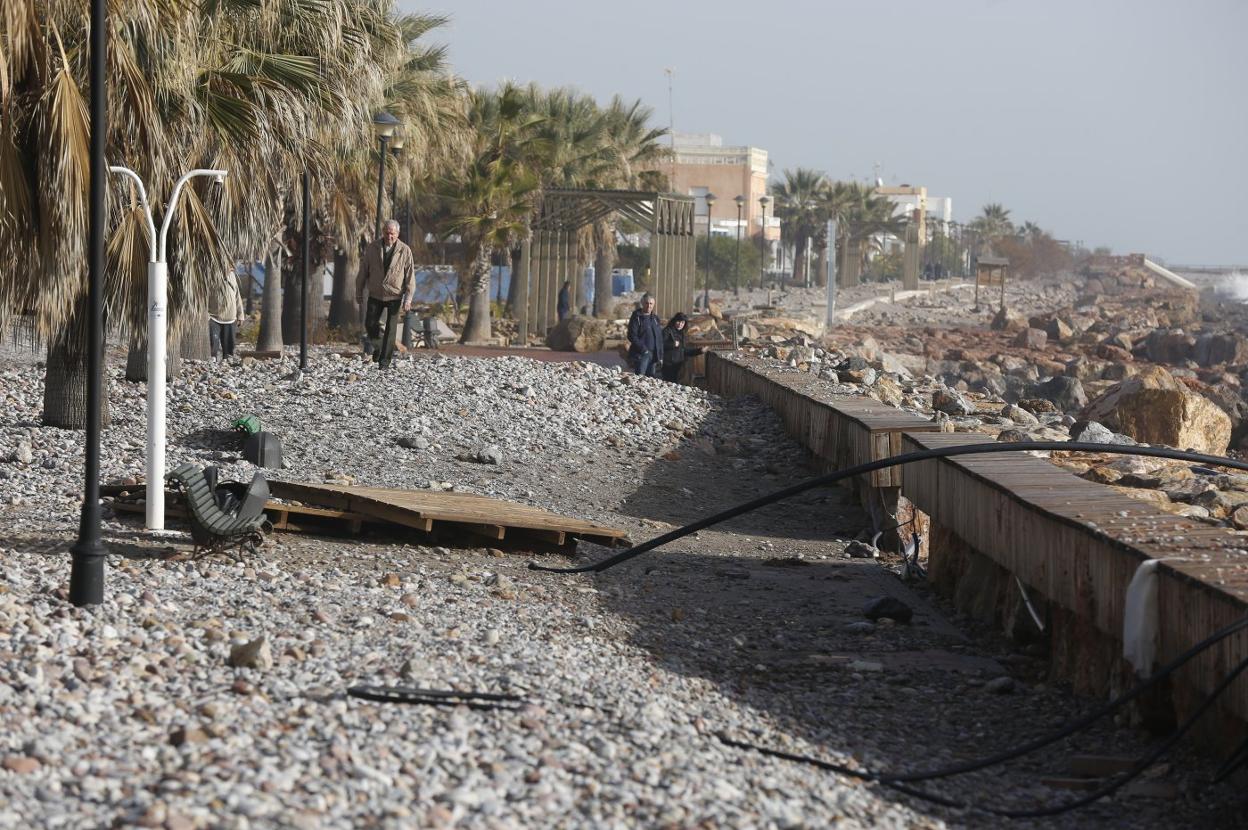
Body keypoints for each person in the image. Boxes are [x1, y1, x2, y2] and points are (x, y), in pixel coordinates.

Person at [355, 219, 416, 369]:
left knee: (391, 329)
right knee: (370, 324)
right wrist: (359, 292)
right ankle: (378, 347)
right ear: (383, 232)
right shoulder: (372, 248)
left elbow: (410, 276)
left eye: (392, 234)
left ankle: (384, 362)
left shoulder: (405, 250)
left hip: (395, 295)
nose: (389, 236)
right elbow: (363, 271)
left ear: (398, 234)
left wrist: (408, 298)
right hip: (375, 293)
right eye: (387, 233)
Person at [208, 267, 245, 360]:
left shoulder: (232, 276)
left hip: (230, 318)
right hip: (213, 317)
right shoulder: (210, 275)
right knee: (213, 343)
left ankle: (227, 364)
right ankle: (212, 363)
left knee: (229, 346)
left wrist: (240, 315)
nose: (231, 268)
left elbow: (237, 296)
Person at [626, 293, 663, 377]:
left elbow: (659, 338)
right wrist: (644, 350)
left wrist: (660, 356)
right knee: (640, 378)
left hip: (654, 355)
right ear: (642, 303)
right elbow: (631, 335)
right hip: (642, 354)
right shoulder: (637, 317)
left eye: (651, 304)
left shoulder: (655, 318)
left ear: (654, 305)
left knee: (651, 379)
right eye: (647, 303)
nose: (649, 306)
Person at [660, 312, 703, 383]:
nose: (680, 324)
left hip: (678, 365)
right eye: (678, 321)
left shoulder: (682, 333)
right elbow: (660, 345)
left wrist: (699, 351)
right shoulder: (667, 331)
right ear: (674, 321)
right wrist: (673, 344)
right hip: (668, 364)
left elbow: (684, 350)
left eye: (682, 322)